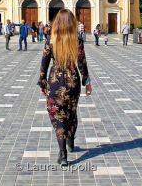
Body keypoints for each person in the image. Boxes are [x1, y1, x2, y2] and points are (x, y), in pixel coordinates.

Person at [38, 9, 92, 167]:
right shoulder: (77, 40)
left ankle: (63, 154)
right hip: (73, 83)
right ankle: (70, 138)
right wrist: (87, 82)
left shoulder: (51, 40)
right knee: (71, 114)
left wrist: (42, 82)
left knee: (58, 117)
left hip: (55, 83)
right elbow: (82, 63)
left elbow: (44, 63)